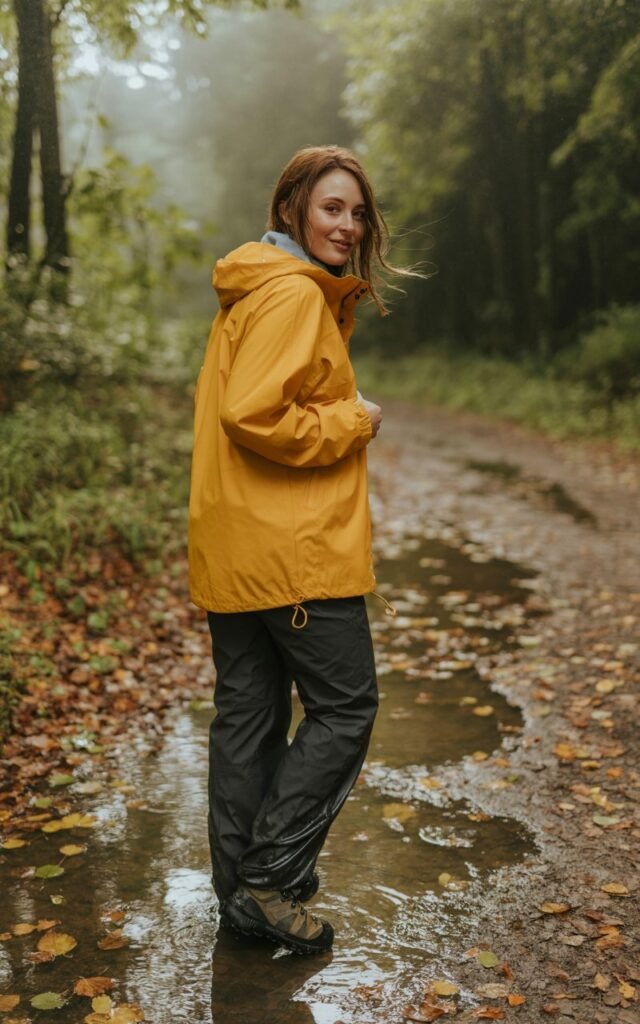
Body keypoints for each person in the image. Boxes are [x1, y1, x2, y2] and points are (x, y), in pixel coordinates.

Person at [188, 144, 402, 956]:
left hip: (238, 546)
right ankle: (271, 878)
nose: (347, 225)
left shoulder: (252, 289)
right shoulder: (291, 297)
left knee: (247, 718)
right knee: (347, 708)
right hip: (293, 553)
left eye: (356, 212)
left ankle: (240, 896)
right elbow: (254, 413)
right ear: (291, 211)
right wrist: (354, 419)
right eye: (331, 209)